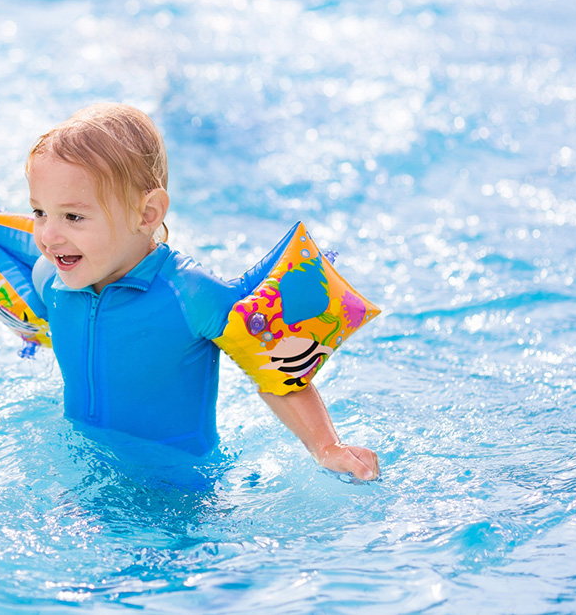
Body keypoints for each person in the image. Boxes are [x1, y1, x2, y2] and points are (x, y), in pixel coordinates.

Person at [25, 102, 379, 481]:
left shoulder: (189, 294)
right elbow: (41, 320)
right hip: (83, 474)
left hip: (181, 490)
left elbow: (275, 373)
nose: (48, 236)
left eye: (73, 217)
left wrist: (326, 447)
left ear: (147, 214)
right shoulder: (50, 278)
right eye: (39, 212)